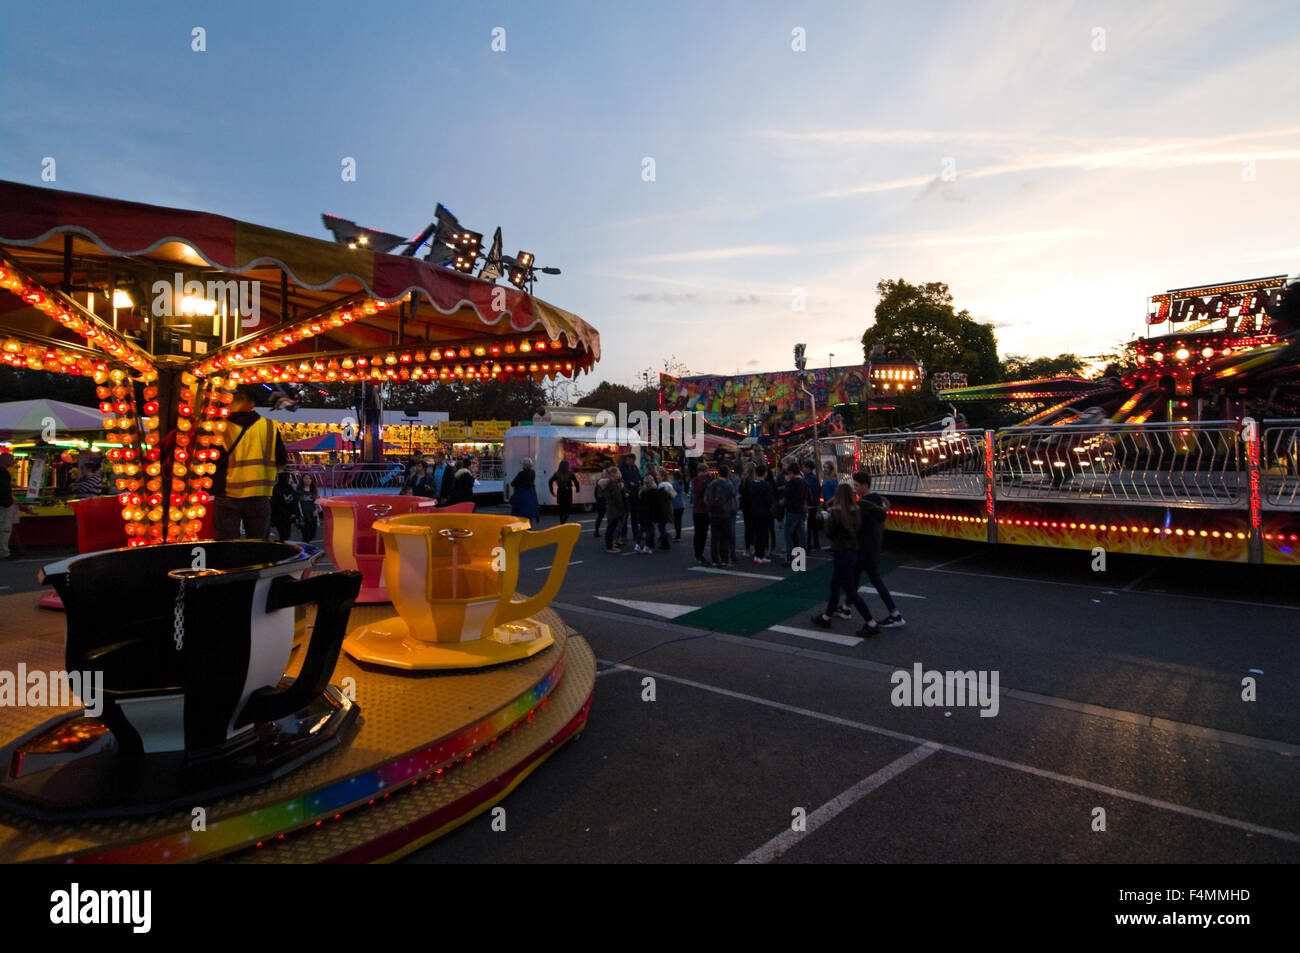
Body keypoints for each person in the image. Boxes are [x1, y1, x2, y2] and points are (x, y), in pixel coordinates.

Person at [214, 384, 288, 540]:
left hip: (226, 494)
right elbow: (281, 462)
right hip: (259, 495)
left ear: (230, 404)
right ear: (252, 405)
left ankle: (232, 565)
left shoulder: (218, 427)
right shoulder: (269, 426)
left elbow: (211, 460)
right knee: (259, 544)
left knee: (226, 545)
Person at [809, 483, 880, 636]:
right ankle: (827, 616)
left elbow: (829, 532)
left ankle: (871, 622)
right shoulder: (856, 511)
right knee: (835, 585)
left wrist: (826, 518)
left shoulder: (836, 512)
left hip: (841, 552)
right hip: (852, 551)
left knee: (850, 590)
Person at [843, 471, 904, 627]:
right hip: (873, 546)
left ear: (864, 485)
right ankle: (846, 607)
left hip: (864, 547)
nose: (854, 488)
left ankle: (894, 614)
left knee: (868, 579)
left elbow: (856, 525)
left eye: (856, 485)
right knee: (858, 578)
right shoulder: (876, 501)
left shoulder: (864, 504)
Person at [705, 463, 737, 567]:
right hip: (725, 513)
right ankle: (724, 560)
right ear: (727, 473)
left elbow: (706, 498)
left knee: (714, 538)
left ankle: (714, 560)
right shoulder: (729, 485)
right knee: (725, 538)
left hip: (713, 513)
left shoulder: (712, 484)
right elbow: (732, 496)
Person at [781, 462, 810, 566]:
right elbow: (809, 497)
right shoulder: (804, 482)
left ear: (792, 472)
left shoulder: (792, 483)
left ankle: (790, 557)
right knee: (801, 534)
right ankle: (801, 557)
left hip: (792, 510)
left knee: (788, 534)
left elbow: (786, 495)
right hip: (802, 510)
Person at [747, 463, 775, 564]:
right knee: (763, 534)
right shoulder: (765, 485)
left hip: (754, 511)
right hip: (763, 512)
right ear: (765, 473)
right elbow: (769, 500)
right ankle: (760, 555)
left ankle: (757, 555)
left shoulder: (751, 484)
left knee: (757, 533)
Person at [690, 465, 712, 565]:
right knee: (700, 534)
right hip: (700, 510)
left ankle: (699, 554)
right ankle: (698, 555)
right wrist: (704, 480)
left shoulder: (699, 480)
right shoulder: (697, 480)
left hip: (701, 510)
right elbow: (698, 491)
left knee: (702, 534)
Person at [618, 454, 642, 544]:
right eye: (632, 461)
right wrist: (628, 483)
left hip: (635, 493)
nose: (633, 463)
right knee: (625, 515)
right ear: (627, 459)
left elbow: (638, 475)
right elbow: (620, 479)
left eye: (634, 461)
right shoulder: (621, 467)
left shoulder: (634, 467)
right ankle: (623, 535)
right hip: (626, 493)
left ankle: (636, 534)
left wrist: (639, 480)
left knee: (634, 515)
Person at [602, 467, 627, 552]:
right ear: (613, 474)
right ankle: (609, 546)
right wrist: (622, 507)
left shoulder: (611, 483)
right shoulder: (612, 483)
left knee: (611, 527)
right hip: (614, 509)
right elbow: (617, 498)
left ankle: (610, 545)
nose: (619, 474)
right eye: (618, 472)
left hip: (612, 508)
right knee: (611, 527)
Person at [548, 459, 580, 525]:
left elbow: (550, 481)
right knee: (567, 509)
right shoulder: (570, 473)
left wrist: (552, 490)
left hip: (560, 492)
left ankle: (562, 523)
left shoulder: (557, 474)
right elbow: (576, 481)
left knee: (562, 510)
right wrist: (577, 489)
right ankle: (563, 522)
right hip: (568, 493)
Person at [270, 471, 299, 542]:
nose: (291, 480)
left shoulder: (290, 488)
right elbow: (276, 505)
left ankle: (280, 545)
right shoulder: (277, 489)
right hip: (280, 516)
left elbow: (294, 502)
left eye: (291, 478)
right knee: (284, 534)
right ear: (284, 478)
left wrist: (295, 514)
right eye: (289, 478)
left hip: (289, 517)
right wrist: (288, 514)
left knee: (287, 535)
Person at [510, 457, 540, 526]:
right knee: (529, 513)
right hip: (531, 494)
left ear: (524, 465)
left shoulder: (521, 474)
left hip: (522, 494)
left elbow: (513, 483)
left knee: (521, 513)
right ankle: (529, 528)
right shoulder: (533, 472)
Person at [803, 460, 823, 550]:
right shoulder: (814, 478)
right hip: (814, 504)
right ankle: (816, 543)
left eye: (804, 467)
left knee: (809, 526)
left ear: (808, 468)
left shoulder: (806, 479)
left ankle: (809, 544)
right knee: (813, 525)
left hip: (809, 504)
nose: (802, 469)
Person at [653, 469, 675, 550]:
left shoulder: (661, 485)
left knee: (661, 526)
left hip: (663, 509)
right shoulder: (669, 484)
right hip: (669, 507)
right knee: (662, 526)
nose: (656, 476)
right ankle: (665, 542)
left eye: (658, 475)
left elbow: (659, 499)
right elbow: (673, 495)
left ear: (662, 477)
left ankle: (666, 539)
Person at [0, 452, 16, 560]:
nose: (13, 462)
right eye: (11, 459)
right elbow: (4, 490)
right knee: (4, 529)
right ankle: (4, 552)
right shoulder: (3, 473)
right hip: (3, 505)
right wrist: (8, 502)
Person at [298, 472, 321, 542]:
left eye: (310, 478)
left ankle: (305, 548)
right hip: (304, 516)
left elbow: (318, 503)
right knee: (306, 536)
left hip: (313, 515)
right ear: (302, 480)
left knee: (312, 535)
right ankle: (304, 550)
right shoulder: (299, 491)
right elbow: (297, 504)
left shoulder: (314, 491)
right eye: (306, 478)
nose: (308, 480)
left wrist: (317, 510)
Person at [670, 469, 686, 540]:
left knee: (676, 521)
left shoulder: (674, 484)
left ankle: (677, 536)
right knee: (679, 521)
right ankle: (678, 535)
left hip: (675, 504)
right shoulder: (681, 483)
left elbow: (672, 493)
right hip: (681, 504)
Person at [594, 467, 610, 538]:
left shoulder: (602, 481)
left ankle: (597, 530)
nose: (605, 474)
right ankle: (597, 530)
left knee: (602, 516)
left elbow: (595, 493)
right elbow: (596, 493)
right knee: (601, 516)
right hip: (602, 500)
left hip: (602, 500)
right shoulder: (602, 481)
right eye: (604, 473)